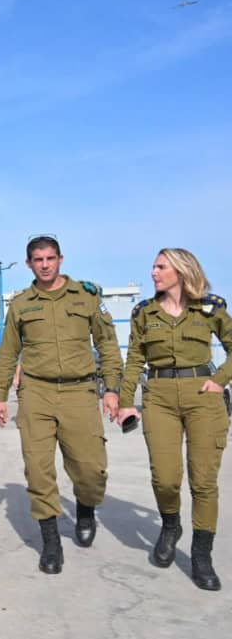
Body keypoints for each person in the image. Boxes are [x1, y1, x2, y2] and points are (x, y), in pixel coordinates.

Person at [0, 235, 122, 575]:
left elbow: (107, 344)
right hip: (36, 393)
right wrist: (0, 395)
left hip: (80, 393)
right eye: (38, 259)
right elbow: (7, 354)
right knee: (38, 469)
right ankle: (51, 542)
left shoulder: (87, 297)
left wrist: (112, 389)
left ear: (61, 259)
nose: (45, 265)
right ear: (29, 264)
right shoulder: (21, 304)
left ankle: (85, 509)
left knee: (91, 469)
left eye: (50, 258)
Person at [117, 248, 231, 591]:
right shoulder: (143, 312)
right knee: (165, 478)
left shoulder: (211, 307)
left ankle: (201, 555)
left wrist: (220, 380)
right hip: (160, 396)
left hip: (203, 396)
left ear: (180, 271)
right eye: (153, 266)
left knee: (203, 481)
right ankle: (170, 525)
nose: (153, 272)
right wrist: (126, 403)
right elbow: (135, 359)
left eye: (160, 267)